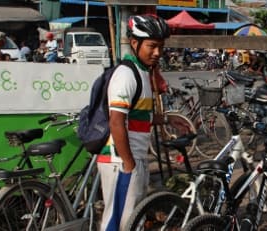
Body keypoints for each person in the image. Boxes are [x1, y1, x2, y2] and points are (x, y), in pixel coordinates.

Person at [97, 14, 169, 231]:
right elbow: (116, 122)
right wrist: (129, 164)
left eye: (161, 47)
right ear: (135, 43)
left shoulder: (142, 72)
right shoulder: (126, 75)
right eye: (152, 46)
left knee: (132, 222)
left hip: (134, 157)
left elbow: (138, 117)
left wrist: (166, 119)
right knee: (118, 221)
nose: (157, 53)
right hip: (120, 160)